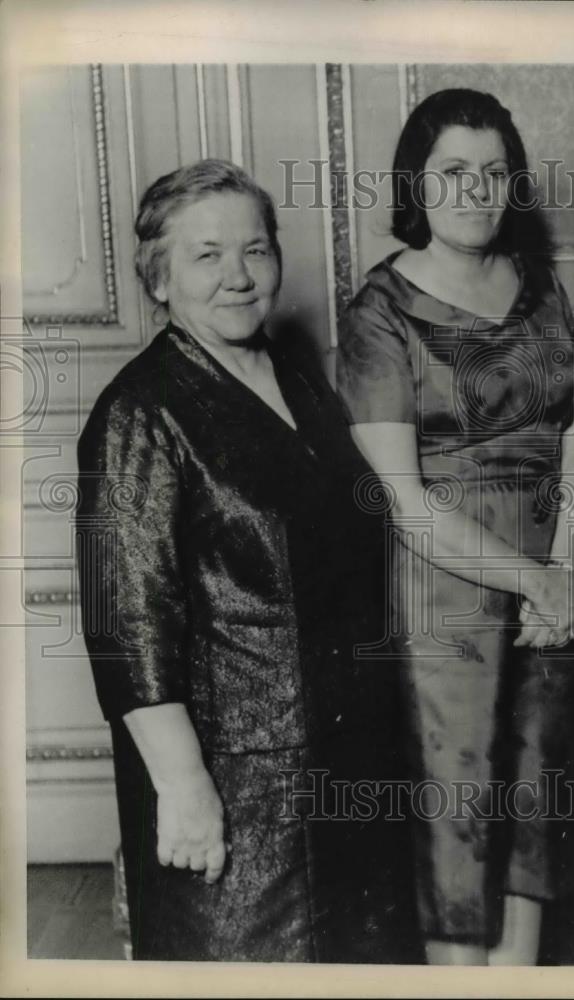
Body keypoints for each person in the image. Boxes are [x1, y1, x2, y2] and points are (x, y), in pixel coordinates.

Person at [76, 159, 422, 963]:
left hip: (347, 765)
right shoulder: (138, 412)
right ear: (158, 278)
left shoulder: (299, 383)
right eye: (207, 255)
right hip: (237, 786)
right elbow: (126, 627)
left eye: (255, 249)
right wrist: (183, 786)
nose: (238, 275)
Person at [337, 89, 574, 965]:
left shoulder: (541, 287)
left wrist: (568, 570)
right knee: (456, 810)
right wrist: (537, 582)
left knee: (535, 799)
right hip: (442, 598)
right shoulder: (378, 309)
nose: (476, 190)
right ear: (415, 182)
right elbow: (404, 501)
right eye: (453, 171)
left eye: (493, 172)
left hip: (552, 586)